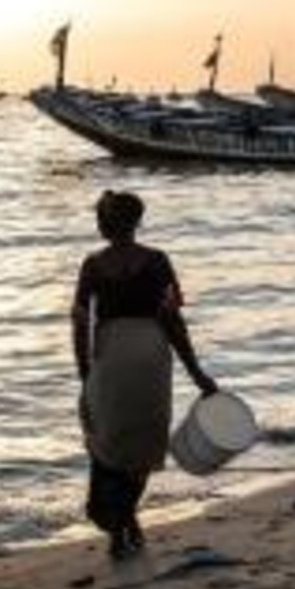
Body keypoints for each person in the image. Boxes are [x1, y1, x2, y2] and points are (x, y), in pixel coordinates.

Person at [71, 190, 218, 558]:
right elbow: (172, 320)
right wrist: (197, 373)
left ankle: (118, 524)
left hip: (110, 356)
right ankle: (125, 518)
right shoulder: (156, 261)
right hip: (152, 353)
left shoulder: (92, 265)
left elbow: (79, 323)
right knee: (143, 440)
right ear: (137, 223)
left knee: (104, 437)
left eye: (100, 219)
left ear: (105, 225)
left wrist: (85, 372)